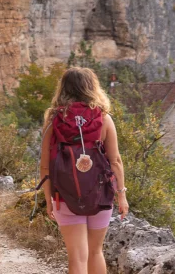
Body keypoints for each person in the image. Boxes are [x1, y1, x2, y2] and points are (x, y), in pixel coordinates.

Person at [40, 67, 128, 274]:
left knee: (77, 258)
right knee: (96, 252)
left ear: (63, 89)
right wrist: (121, 195)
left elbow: (45, 166)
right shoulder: (104, 119)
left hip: (65, 196)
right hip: (100, 195)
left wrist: (49, 200)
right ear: (92, 88)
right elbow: (115, 161)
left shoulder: (54, 121)